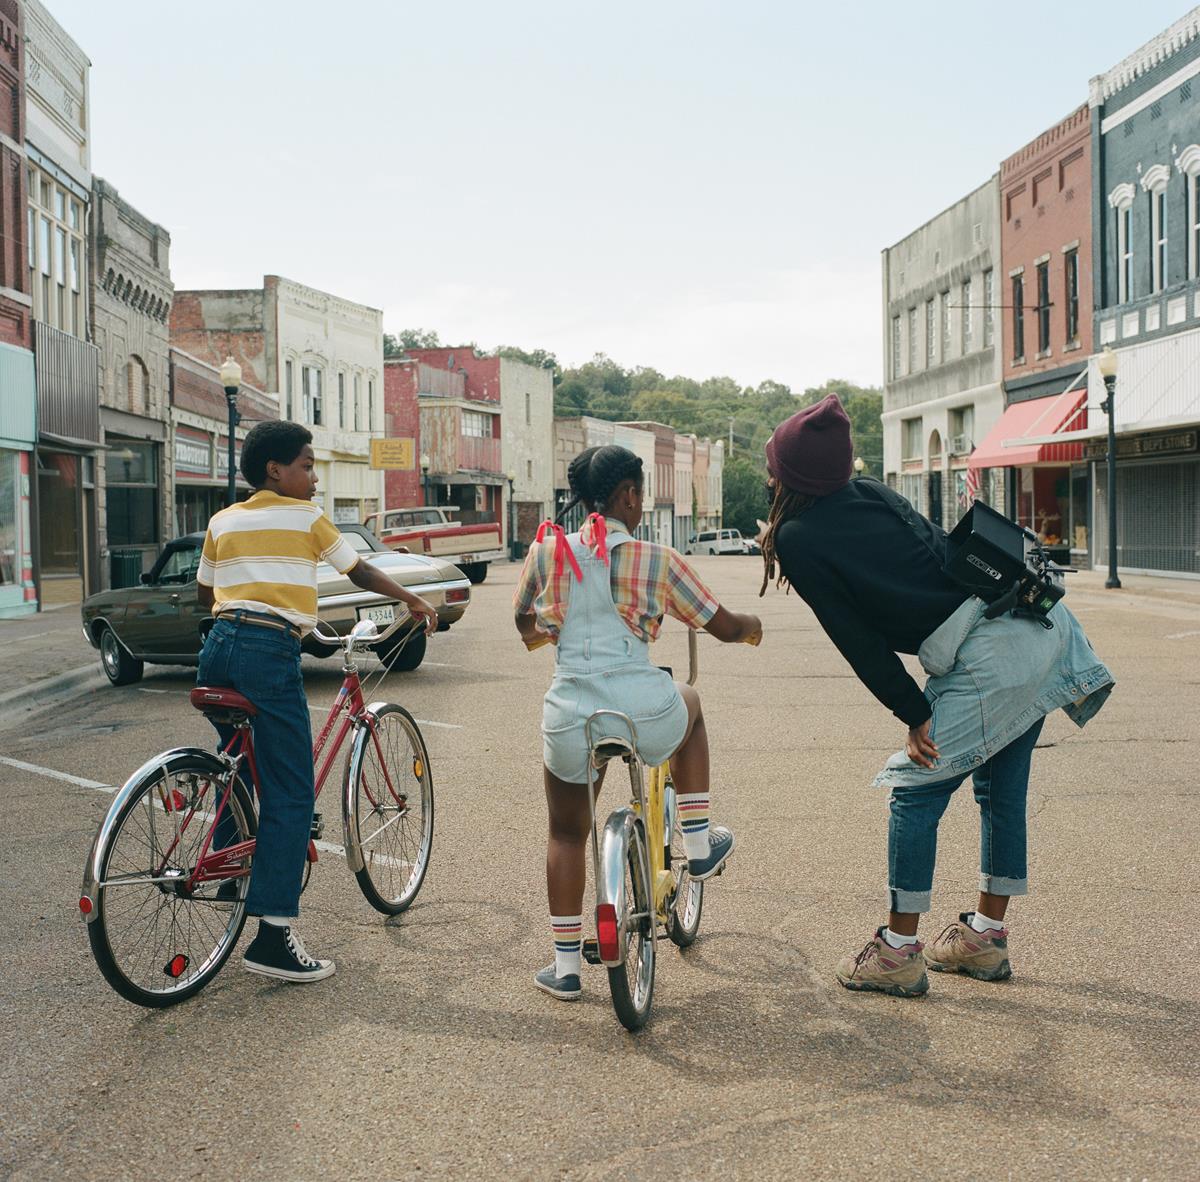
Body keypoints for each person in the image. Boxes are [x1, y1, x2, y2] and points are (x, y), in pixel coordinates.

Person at [757, 395, 1114, 998]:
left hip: (989, 656)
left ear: (793, 476)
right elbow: (942, 559)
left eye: (775, 464)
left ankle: (897, 952)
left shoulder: (798, 536)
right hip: (1036, 628)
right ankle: (984, 939)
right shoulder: (871, 492)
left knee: (914, 792)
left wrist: (915, 712)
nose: (769, 474)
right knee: (1002, 793)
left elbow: (857, 639)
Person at [514, 445, 762, 1001]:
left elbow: (523, 621)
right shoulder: (657, 558)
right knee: (690, 702)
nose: (642, 502)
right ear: (627, 495)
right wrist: (752, 626)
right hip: (641, 709)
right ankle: (697, 843)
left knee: (565, 831)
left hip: (571, 714)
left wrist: (550, 633)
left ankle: (565, 967)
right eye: (640, 492)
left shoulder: (546, 552)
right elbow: (721, 625)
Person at [196, 420, 439, 984]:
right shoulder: (306, 517)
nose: (313, 477)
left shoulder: (222, 520)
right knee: (293, 793)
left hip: (219, 647)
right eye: (306, 466)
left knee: (243, 770)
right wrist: (413, 599)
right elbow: (359, 570)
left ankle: (231, 874)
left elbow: (207, 594)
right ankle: (274, 935)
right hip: (267, 649)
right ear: (274, 471)